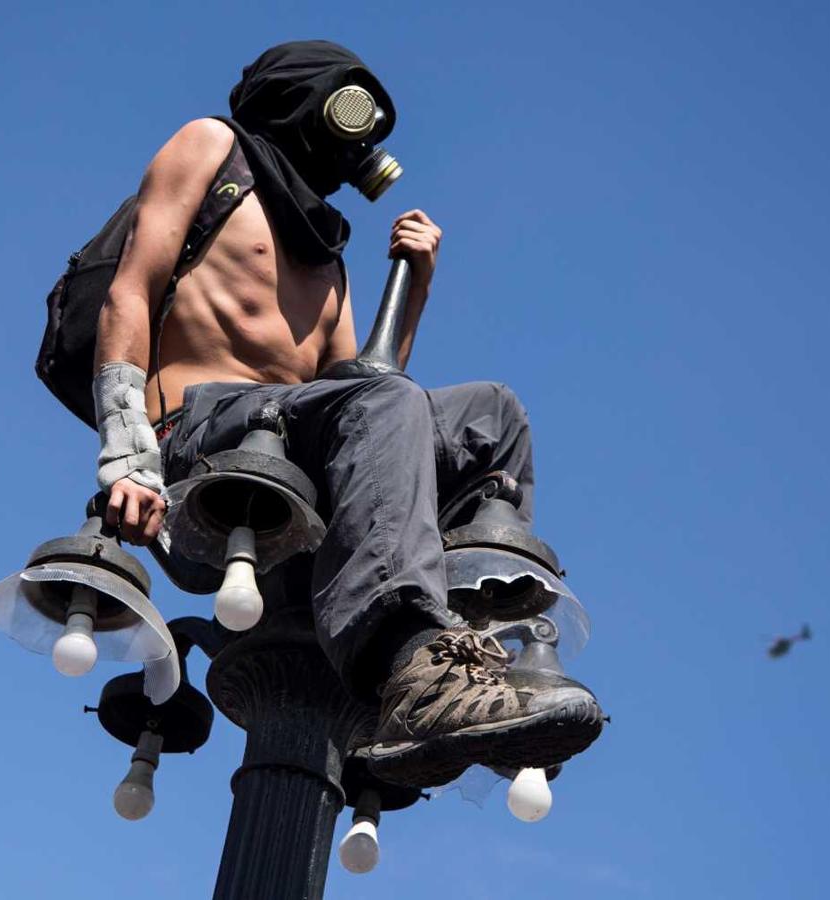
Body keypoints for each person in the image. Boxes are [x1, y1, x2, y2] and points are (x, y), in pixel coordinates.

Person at [91, 40, 601, 786]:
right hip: (199, 443)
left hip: (291, 460)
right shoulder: (213, 148)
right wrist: (126, 456)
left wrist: (416, 287)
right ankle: (411, 666)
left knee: (491, 414)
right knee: (386, 404)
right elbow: (130, 290)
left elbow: (363, 398)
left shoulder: (325, 253)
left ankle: (463, 658)